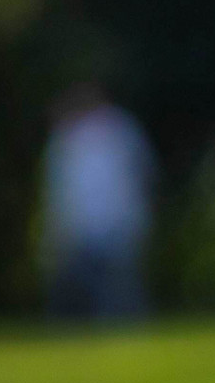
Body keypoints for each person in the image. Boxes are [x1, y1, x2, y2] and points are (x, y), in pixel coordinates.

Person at [43, 83, 156, 320]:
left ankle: (127, 329)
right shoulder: (67, 136)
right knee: (84, 288)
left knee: (119, 286)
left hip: (119, 220)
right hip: (81, 226)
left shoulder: (120, 128)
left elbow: (142, 173)